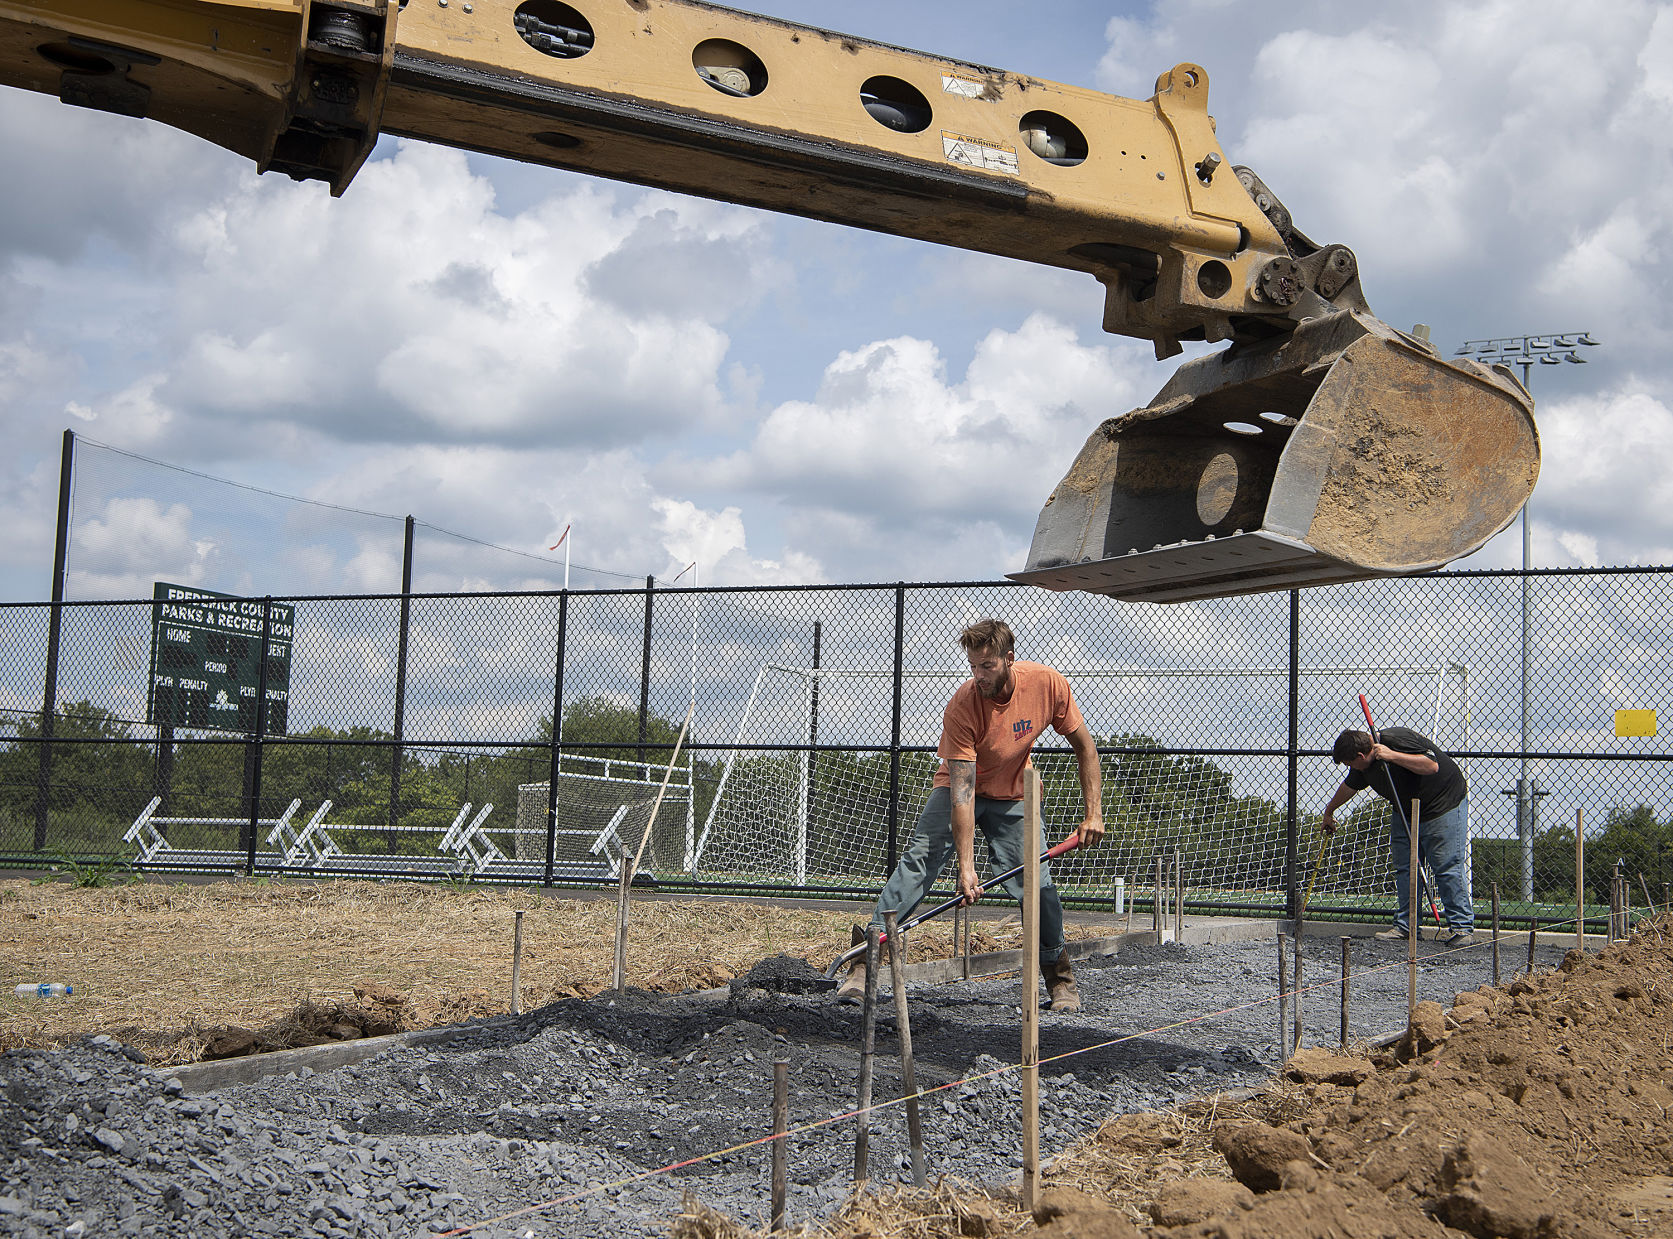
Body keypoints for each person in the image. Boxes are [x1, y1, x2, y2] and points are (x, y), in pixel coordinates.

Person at [836, 619, 1104, 1011]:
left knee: (1039, 883)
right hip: (960, 788)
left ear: (1008, 659)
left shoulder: (1047, 684)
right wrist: (966, 868)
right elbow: (962, 794)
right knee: (919, 860)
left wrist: (1093, 813)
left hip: (1013, 792)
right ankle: (864, 961)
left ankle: (1059, 978)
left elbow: (1086, 749)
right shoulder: (963, 705)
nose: (978, 676)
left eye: (987, 666)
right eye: (972, 666)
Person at [1322, 727, 1473, 944]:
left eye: (1349, 763)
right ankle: (1407, 926)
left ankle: (1462, 928)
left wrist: (1391, 755)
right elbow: (1350, 786)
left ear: (1360, 756)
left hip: (1443, 804)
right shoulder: (1363, 765)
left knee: (1446, 866)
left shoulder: (1396, 739)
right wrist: (1329, 811)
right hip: (1405, 810)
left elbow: (1431, 765)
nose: (1350, 768)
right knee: (1407, 868)